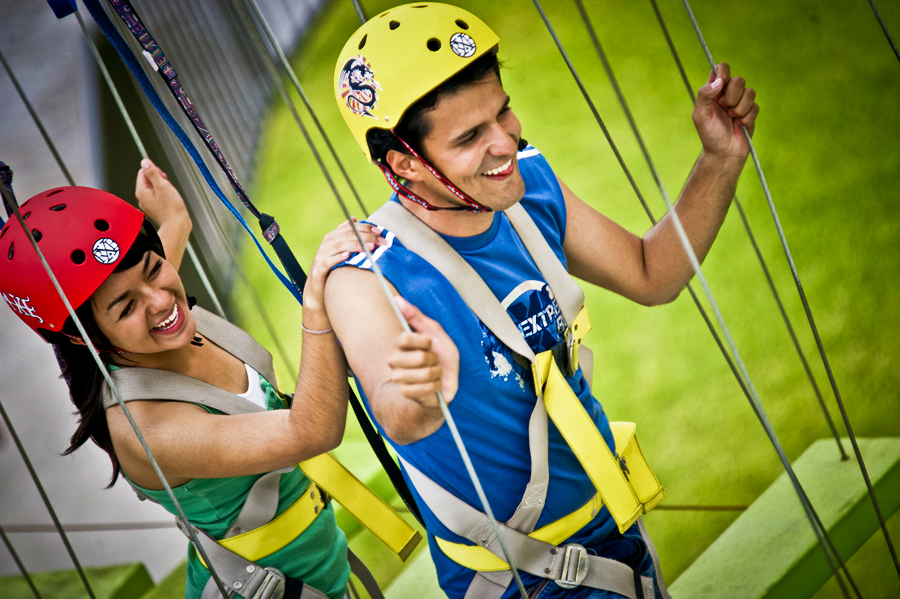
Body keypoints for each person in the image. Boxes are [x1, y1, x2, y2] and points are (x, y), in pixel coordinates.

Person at [325, 4, 759, 599]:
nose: (504, 141)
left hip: (617, 532)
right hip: (520, 579)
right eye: (470, 136)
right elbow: (398, 410)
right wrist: (423, 387)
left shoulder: (531, 188)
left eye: (501, 110)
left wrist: (720, 160)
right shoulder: (367, 273)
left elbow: (651, 273)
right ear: (404, 163)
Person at [0, 159, 407, 599]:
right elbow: (312, 432)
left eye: (154, 269)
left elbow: (143, 270)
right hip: (282, 587)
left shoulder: (149, 318)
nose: (160, 302)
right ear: (84, 340)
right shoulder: (147, 432)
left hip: (321, 559)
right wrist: (316, 306)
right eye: (126, 307)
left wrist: (175, 216)